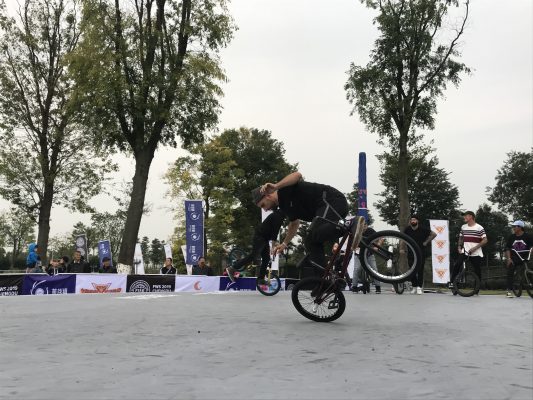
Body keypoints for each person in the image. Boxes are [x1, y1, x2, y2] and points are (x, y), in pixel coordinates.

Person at [252, 171, 350, 276]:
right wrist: (284, 244)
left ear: (267, 196)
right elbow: (294, 224)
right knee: (311, 241)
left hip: (331, 201)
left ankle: (349, 225)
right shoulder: (284, 207)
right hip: (331, 209)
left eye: (263, 205)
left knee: (313, 235)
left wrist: (276, 186)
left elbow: (297, 175)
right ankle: (323, 279)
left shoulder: (283, 190)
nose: (265, 209)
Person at [225, 208, 285, 282]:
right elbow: (274, 233)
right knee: (254, 255)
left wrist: (275, 244)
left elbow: (272, 232)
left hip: (265, 238)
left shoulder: (278, 216)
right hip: (260, 237)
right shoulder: (278, 216)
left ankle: (261, 279)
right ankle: (232, 268)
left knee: (266, 258)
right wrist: (272, 247)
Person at [451, 211, 488, 292]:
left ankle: (476, 288)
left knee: (477, 270)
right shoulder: (463, 227)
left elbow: (485, 240)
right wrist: (459, 247)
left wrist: (475, 248)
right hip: (465, 251)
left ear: (471, 216)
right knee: (457, 265)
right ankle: (453, 284)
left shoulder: (479, 227)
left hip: (476, 253)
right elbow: (461, 238)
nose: (464, 217)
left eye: (466, 216)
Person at [403, 215, 437, 295]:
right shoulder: (407, 229)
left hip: (420, 252)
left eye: (414, 220)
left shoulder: (423, 229)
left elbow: (434, 234)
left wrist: (426, 242)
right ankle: (414, 286)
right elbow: (402, 239)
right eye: (411, 220)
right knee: (411, 270)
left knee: (420, 270)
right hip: (410, 252)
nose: (413, 221)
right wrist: (401, 248)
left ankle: (419, 287)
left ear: (417, 221)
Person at [504, 220, 532, 298]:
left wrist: (531, 251)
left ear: (520, 227)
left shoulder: (528, 236)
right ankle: (508, 290)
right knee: (510, 271)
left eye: (515, 226)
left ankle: (527, 281)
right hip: (514, 257)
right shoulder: (511, 237)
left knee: (528, 270)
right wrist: (509, 258)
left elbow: (531, 246)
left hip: (525, 257)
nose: (513, 228)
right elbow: (507, 248)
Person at [351, 225, 381, 294]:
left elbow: (380, 238)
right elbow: (351, 243)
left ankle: (378, 287)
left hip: (369, 253)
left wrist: (377, 246)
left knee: (374, 269)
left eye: (365, 226)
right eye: (362, 226)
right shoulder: (356, 231)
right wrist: (354, 248)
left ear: (367, 226)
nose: (363, 228)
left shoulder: (370, 231)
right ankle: (354, 286)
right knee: (357, 269)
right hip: (359, 254)